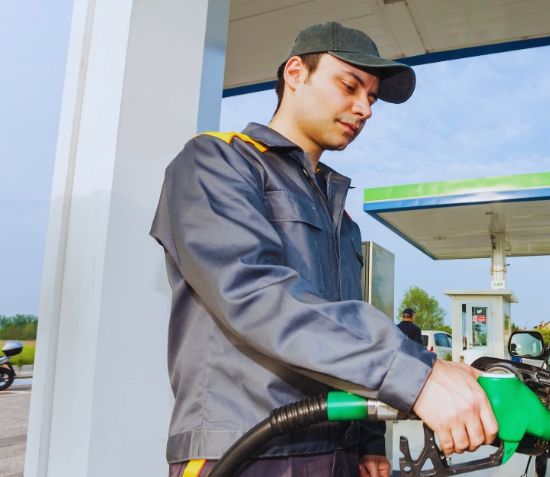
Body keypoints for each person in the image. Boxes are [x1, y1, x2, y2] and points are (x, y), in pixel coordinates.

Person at [151, 22, 499, 477]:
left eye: (371, 98)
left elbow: (343, 318)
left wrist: (370, 440)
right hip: (245, 448)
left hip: (336, 447)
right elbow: (253, 294)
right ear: (296, 73)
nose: (364, 109)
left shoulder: (343, 218)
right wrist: (417, 374)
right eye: (349, 86)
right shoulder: (216, 163)